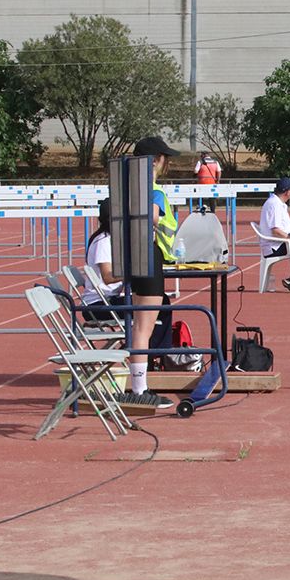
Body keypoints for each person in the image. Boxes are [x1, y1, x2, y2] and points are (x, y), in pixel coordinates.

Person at [119, 136, 180, 409]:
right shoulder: (153, 189)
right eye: (164, 157)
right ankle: (140, 389)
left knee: (139, 326)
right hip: (151, 256)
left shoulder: (126, 185)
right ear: (156, 160)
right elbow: (152, 216)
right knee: (143, 327)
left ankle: (140, 385)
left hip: (135, 256)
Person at [81, 198, 172, 349]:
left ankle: (155, 349)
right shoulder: (103, 241)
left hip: (110, 300)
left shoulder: (113, 239)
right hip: (97, 306)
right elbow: (108, 277)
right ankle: (153, 350)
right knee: (159, 304)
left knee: (161, 302)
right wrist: (134, 272)